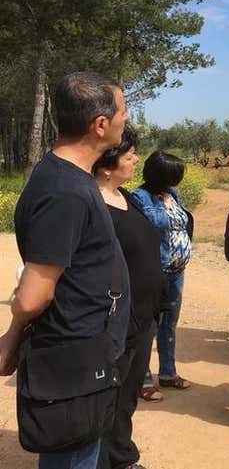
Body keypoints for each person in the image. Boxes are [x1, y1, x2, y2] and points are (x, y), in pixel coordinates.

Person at [0, 71, 130, 469]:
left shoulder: (71, 177)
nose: (127, 119)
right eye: (123, 111)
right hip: (72, 361)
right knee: (73, 458)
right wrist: (13, 335)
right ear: (101, 124)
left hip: (82, 353)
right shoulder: (64, 192)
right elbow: (33, 295)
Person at [93, 126, 165, 469]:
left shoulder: (128, 197)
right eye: (129, 154)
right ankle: (106, 459)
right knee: (110, 395)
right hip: (120, 319)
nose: (136, 159)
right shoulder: (95, 206)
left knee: (128, 393)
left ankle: (120, 454)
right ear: (107, 165)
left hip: (144, 315)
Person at [132, 151, 194, 401]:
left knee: (169, 323)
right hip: (155, 272)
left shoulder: (173, 195)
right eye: (175, 174)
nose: (179, 179)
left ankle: (168, 373)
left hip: (177, 271)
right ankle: (143, 378)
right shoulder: (140, 198)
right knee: (148, 326)